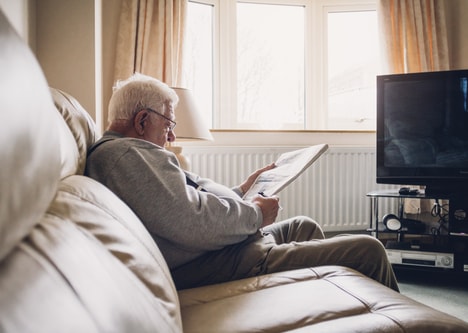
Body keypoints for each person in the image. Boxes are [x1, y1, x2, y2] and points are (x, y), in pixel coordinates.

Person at [85, 73, 399, 291]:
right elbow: (192, 223)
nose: (172, 136)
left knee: (301, 225)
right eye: (168, 124)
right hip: (223, 262)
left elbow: (185, 203)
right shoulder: (127, 156)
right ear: (141, 120)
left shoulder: (131, 155)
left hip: (226, 250)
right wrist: (255, 214)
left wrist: (242, 190)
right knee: (369, 249)